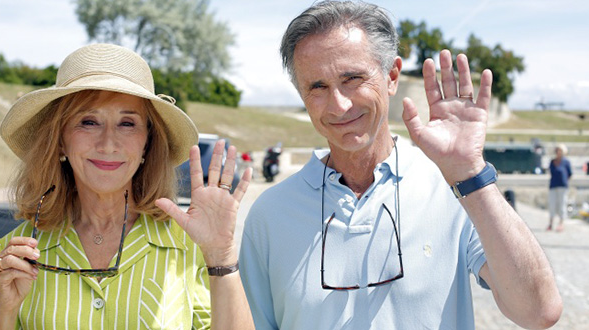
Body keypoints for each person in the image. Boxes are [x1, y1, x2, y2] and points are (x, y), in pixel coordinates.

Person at [239, 1, 562, 329]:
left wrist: (470, 173)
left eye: (352, 78)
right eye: (317, 86)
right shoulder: (269, 216)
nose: (339, 105)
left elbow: (538, 312)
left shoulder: (453, 189)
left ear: (392, 76)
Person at [0, 43, 254, 329]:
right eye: (88, 122)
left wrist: (221, 256)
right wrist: (5, 309)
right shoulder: (14, 253)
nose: (108, 144)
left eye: (127, 123)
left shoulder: (190, 245)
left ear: (147, 143)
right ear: (61, 139)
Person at [547, 143, 572, 232]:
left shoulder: (566, 162)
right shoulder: (552, 161)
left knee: (562, 204)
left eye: (560, 150)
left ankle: (561, 223)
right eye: (557, 150)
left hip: (563, 186)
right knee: (552, 204)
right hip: (553, 185)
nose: (558, 152)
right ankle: (551, 222)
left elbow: (569, 174)